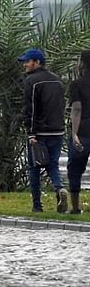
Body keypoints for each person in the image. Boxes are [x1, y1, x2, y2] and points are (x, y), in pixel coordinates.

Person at [19, 47, 69, 213]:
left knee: (34, 167)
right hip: (58, 130)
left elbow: (30, 109)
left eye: (27, 61)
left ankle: (37, 206)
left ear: (37, 62)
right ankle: (59, 188)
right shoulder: (57, 80)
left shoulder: (31, 82)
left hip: (39, 132)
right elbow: (62, 106)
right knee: (52, 164)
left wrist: (31, 133)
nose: (25, 65)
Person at [66, 49, 90, 214]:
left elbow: (77, 109)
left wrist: (74, 134)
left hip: (83, 131)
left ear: (83, 64)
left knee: (75, 168)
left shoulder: (77, 84)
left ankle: (75, 207)